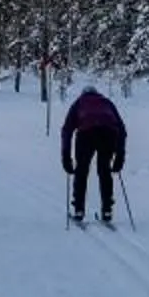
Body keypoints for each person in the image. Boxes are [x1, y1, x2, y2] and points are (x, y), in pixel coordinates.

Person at [60, 82, 126, 225]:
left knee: (81, 171)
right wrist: (120, 156)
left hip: (86, 134)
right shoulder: (106, 102)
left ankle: (79, 209)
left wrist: (66, 156)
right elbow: (121, 128)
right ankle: (107, 210)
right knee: (104, 170)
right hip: (108, 134)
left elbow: (67, 130)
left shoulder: (79, 103)